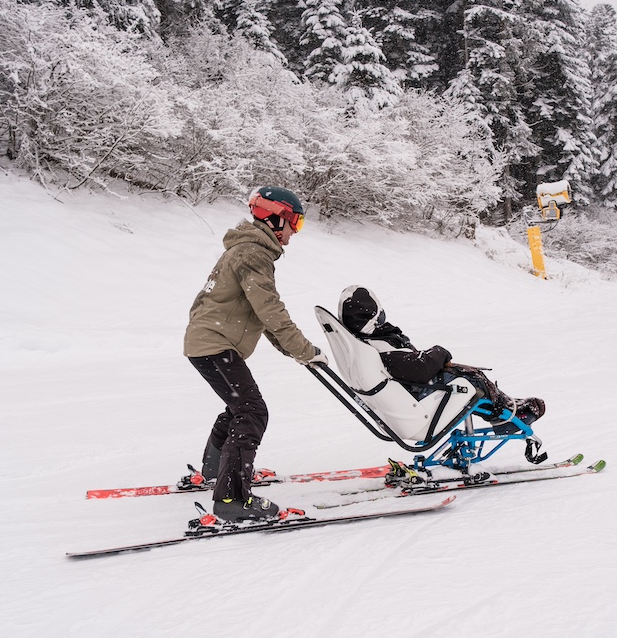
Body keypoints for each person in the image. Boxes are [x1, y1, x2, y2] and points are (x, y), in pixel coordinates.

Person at [184, 186, 327, 523]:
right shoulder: (253, 253)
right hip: (214, 344)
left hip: (210, 343)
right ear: (277, 218)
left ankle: (214, 469)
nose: (295, 232)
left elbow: (263, 316)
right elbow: (271, 310)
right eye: (296, 223)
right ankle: (232, 498)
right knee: (251, 412)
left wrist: (296, 352)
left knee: (240, 408)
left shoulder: (248, 249)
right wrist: (305, 349)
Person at [337, 285, 544, 435]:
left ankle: (505, 408)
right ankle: (508, 417)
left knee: (464, 375)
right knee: (472, 378)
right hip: (418, 407)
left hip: (402, 401)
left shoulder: (361, 343)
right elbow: (418, 368)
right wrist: (440, 352)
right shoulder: (378, 346)